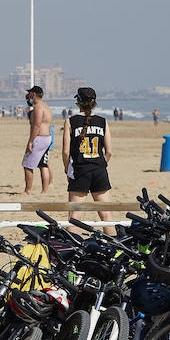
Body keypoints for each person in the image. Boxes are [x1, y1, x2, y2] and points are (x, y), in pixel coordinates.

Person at [60, 87, 115, 234]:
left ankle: (72, 250)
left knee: (75, 216)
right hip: (99, 170)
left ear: (78, 102)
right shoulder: (102, 121)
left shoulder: (70, 121)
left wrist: (67, 169)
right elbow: (109, 151)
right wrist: (101, 165)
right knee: (106, 215)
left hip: (80, 170)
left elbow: (65, 151)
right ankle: (117, 248)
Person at [22, 85, 53, 194]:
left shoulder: (38, 107)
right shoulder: (45, 106)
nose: (28, 95)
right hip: (47, 137)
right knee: (42, 164)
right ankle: (44, 191)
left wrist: (30, 141)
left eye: (29, 93)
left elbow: (37, 124)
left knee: (27, 165)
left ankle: (27, 190)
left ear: (34, 94)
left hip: (39, 138)